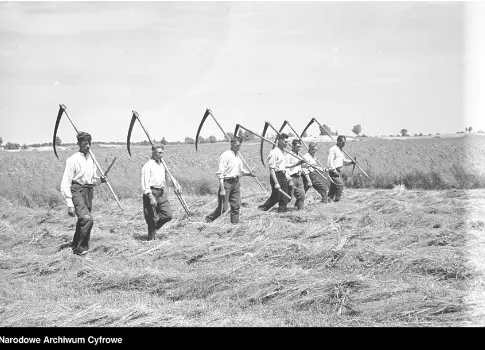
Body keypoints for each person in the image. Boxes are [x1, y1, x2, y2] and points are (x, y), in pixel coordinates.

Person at [60, 131, 107, 256]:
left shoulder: (92, 158)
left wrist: (101, 180)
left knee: (82, 220)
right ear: (79, 143)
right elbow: (65, 182)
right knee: (87, 220)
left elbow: (92, 180)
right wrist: (70, 204)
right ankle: (80, 249)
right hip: (76, 190)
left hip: (88, 191)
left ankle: (75, 243)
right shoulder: (72, 160)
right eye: (84, 143)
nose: (87, 146)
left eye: (89, 143)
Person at [205, 136, 256, 224]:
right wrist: (222, 189)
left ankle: (234, 225)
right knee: (223, 209)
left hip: (236, 183)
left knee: (236, 206)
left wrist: (250, 174)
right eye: (237, 145)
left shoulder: (238, 156)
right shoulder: (225, 156)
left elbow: (241, 171)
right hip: (226, 183)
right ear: (232, 144)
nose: (239, 147)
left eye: (240, 145)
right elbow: (220, 173)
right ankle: (209, 219)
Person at [141, 143, 182, 240]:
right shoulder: (148, 166)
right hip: (151, 192)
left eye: (162, 153)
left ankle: (154, 228)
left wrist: (176, 184)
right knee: (151, 217)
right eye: (159, 153)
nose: (161, 155)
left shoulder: (162, 165)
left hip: (161, 192)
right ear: (153, 152)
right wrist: (150, 197)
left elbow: (167, 179)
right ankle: (151, 237)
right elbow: (145, 183)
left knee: (168, 215)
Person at [258, 133, 292, 213]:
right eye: (285, 142)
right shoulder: (274, 152)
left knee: (284, 197)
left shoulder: (283, 152)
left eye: (287, 142)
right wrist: (276, 183)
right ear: (279, 141)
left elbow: (285, 166)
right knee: (276, 196)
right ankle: (263, 208)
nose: (287, 144)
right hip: (276, 176)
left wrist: (298, 163)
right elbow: (272, 169)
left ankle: (281, 213)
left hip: (283, 175)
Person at [326, 135, 355, 202]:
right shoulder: (333, 149)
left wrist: (351, 162)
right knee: (340, 185)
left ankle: (328, 201)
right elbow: (330, 162)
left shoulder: (340, 150)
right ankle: (337, 200)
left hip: (339, 171)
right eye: (343, 142)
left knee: (333, 188)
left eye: (345, 142)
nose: (344, 144)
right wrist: (334, 170)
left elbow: (343, 161)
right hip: (334, 171)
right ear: (338, 141)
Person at [286, 139, 306, 210]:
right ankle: (281, 209)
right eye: (298, 147)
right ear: (293, 146)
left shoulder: (299, 155)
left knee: (302, 195)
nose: (299, 148)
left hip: (299, 177)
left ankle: (300, 210)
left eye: (300, 147)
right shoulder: (289, 155)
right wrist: (289, 179)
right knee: (289, 197)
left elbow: (300, 166)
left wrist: (307, 165)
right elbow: (286, 168)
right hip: (292, 177)